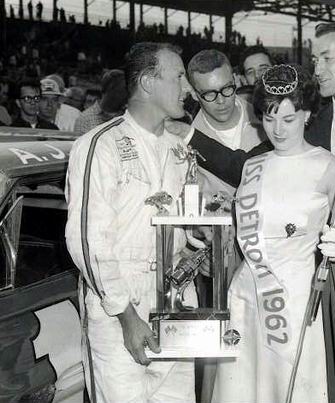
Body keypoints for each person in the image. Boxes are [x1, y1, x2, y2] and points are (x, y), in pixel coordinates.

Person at [181, 22, 335, 402]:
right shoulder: (303, 124)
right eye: (314, 59)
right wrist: (184, 136)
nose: (318, 67)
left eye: (326, 58)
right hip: (280, 298)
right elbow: (249, 170)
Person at [211, 64, 335, 403]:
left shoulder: (330, 168)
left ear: (307, 113)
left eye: (288, 118)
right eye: (269, 119)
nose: (278, 129)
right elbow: (240, 235)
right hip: (246, 296)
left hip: (294, 303)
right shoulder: (252, 166)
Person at [65, 42, 196, 403]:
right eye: (179, 76)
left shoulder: (179, 149)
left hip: (173, 298)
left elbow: (182, 227)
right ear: (149, 82)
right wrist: (127, 316)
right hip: (120, 305)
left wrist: (201, 239)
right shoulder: (99, 145)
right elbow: (87, 240)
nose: (187, 87)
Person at [187, 49, 266, 196]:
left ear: (235, 80)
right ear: (194, 94)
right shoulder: (184, 145)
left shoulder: (268, 123)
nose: (221, 101)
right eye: (209, 94)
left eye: (227, 88)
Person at [74, 69, 127, 135]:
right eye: (121, 91)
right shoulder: (86, 119)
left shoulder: (127, 117)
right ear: (108, 90)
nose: (126, 96)